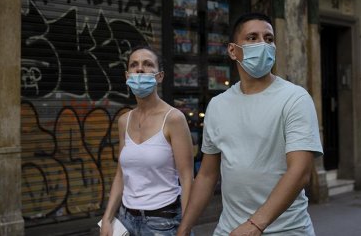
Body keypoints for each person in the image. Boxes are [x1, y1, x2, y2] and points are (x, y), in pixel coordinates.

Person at [176, 12, 323, 236]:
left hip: (287, 230)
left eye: (269, 38)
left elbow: (300, 170)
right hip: (230, 230)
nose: (263, 44)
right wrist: (184, 228)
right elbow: (207, 175)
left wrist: (255, 224)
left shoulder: (295, 99)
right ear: (233, 50)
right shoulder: (218, 106)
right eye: (252, 38)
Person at [100, 46, 194, 236]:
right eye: (134, 65)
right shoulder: (123, 121)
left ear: (159, 76)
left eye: (147, 64)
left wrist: (185, 228)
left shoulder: (173, 118)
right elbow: (121, 174)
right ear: (127, 76)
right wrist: (108, 218)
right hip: (126, 221)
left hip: (163, 223)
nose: (140, 69)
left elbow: (187, 178)